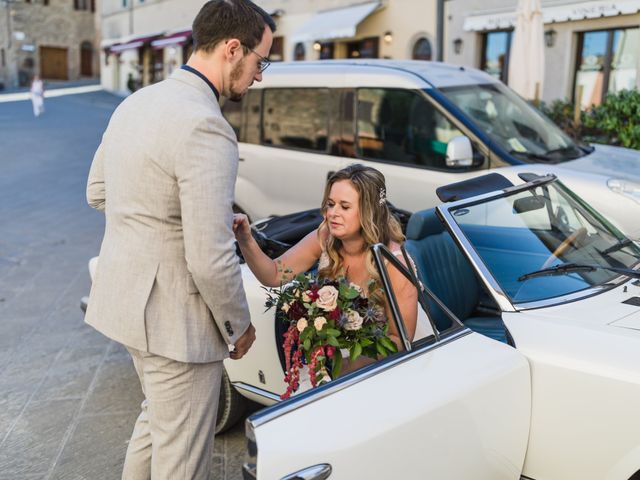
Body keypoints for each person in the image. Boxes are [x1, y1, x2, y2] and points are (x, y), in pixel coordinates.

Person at [84, 1, 275, 478]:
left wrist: (155, 224)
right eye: (260, 61)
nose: (259, 76)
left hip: (127, 304)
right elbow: (210, 258)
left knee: (154, 427)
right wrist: (238, 325)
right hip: (176, 323)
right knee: (182, 461)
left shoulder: (137, 101)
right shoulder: (206, 125)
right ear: (233, 49)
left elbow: (97, 193)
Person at [234, 164, 418, 356]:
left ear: (369, 211)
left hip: (378, 363)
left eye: (344, 206)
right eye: (331, 204)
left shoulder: (395, 263)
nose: (332, 213)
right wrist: (246, 239)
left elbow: (400, 341)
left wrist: (349, 367)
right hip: (328, 356)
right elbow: (273, 275)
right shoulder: (326, 237)